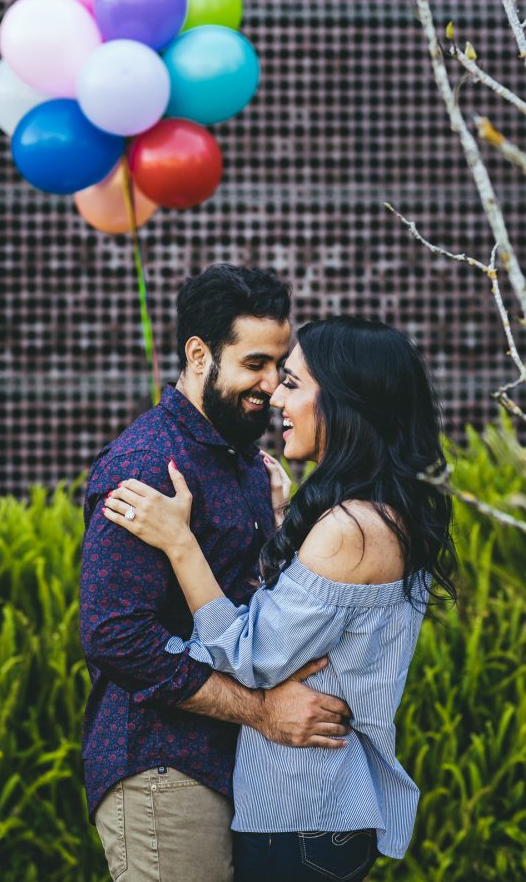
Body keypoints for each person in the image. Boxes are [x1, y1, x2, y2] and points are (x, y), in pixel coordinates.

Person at [105, 315, 457, 882]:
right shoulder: (376, 517)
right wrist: (282, 526)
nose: (275, 399)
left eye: (292, 383)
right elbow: (304, 636)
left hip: (299, 818)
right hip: (318, 820)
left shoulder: (351, 530)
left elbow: (251, 658)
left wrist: (180, 543)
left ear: (345, 403)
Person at [79, 266, 353, 882]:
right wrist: (261, 710)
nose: (271, 386)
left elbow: (256, 615)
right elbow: (114, 635)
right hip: (162, 770)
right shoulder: (146, 464)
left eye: (280, 366)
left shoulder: (248, 464)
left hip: (240, 771)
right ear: (198, 354)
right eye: (254, 364)